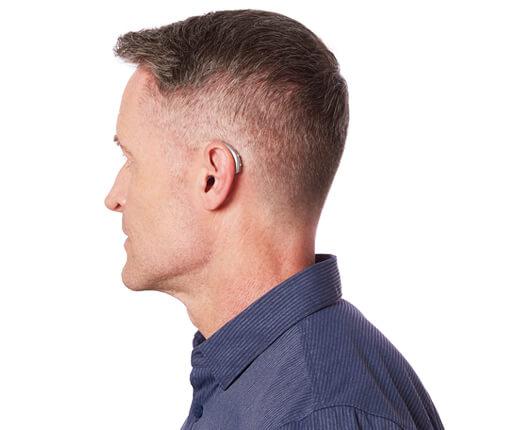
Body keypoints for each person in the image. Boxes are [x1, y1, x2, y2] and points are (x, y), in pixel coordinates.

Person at [105, 9, 445, 430]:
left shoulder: (317, 412)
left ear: (212, 178)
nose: (114, 197)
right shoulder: (275, 376)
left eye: (131, 159)